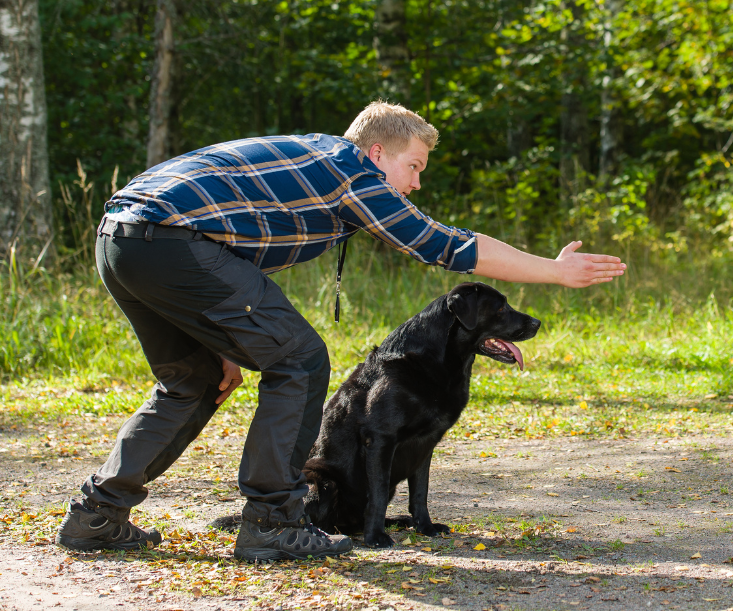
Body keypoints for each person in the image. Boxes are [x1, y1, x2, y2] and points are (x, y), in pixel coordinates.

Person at [56, 101, 625, 560]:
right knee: (300, 360)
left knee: (195, 380)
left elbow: (224, 243)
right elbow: (445, 245)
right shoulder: (351, 172)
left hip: (124, 238)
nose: (416, 184)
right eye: (414, 167)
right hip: (170, 240)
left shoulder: (311, 164)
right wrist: (553, 271)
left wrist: (217, 345)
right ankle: (274, 522)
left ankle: (96, 515)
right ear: (378, 152)